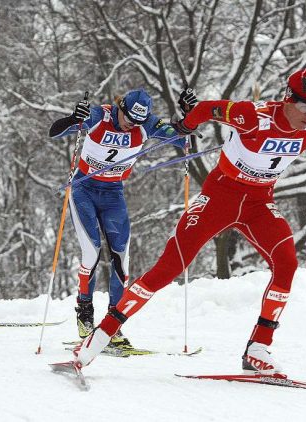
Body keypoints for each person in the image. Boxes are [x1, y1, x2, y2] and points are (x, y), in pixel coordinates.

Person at [73, 69, 306, 373]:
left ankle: (258, 347)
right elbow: (206, 110)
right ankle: (100, 337)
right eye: (305, 108)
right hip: (220, 198)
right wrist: (184, 125)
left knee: (287, 262)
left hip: (259, 204)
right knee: (167, 269)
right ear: (288, 99)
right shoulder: (253, 115)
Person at [49, 89, 184, 348]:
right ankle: (85, 314)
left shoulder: (147, 125)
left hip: (113, 194)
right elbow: (54, 132)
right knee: (91, 252)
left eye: (137, 122)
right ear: (120, 107)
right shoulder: (99, 115)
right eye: (128, 118)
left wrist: (189, 118)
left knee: (122, 259)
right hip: (84, 190)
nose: (131, 125)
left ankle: (113, 325)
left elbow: (181, 138)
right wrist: (71, 118)